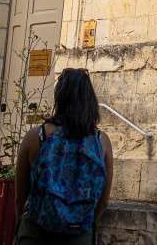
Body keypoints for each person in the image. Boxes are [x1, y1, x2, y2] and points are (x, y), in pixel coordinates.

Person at [15, 68, 114, 245]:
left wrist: (21, 222)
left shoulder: (35, 137)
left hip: (36, 231)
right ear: (90, 99)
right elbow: (104, 201)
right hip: (79, 234)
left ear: (59, 97)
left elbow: (20, 195)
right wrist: (88, 224)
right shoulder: (102, 142)